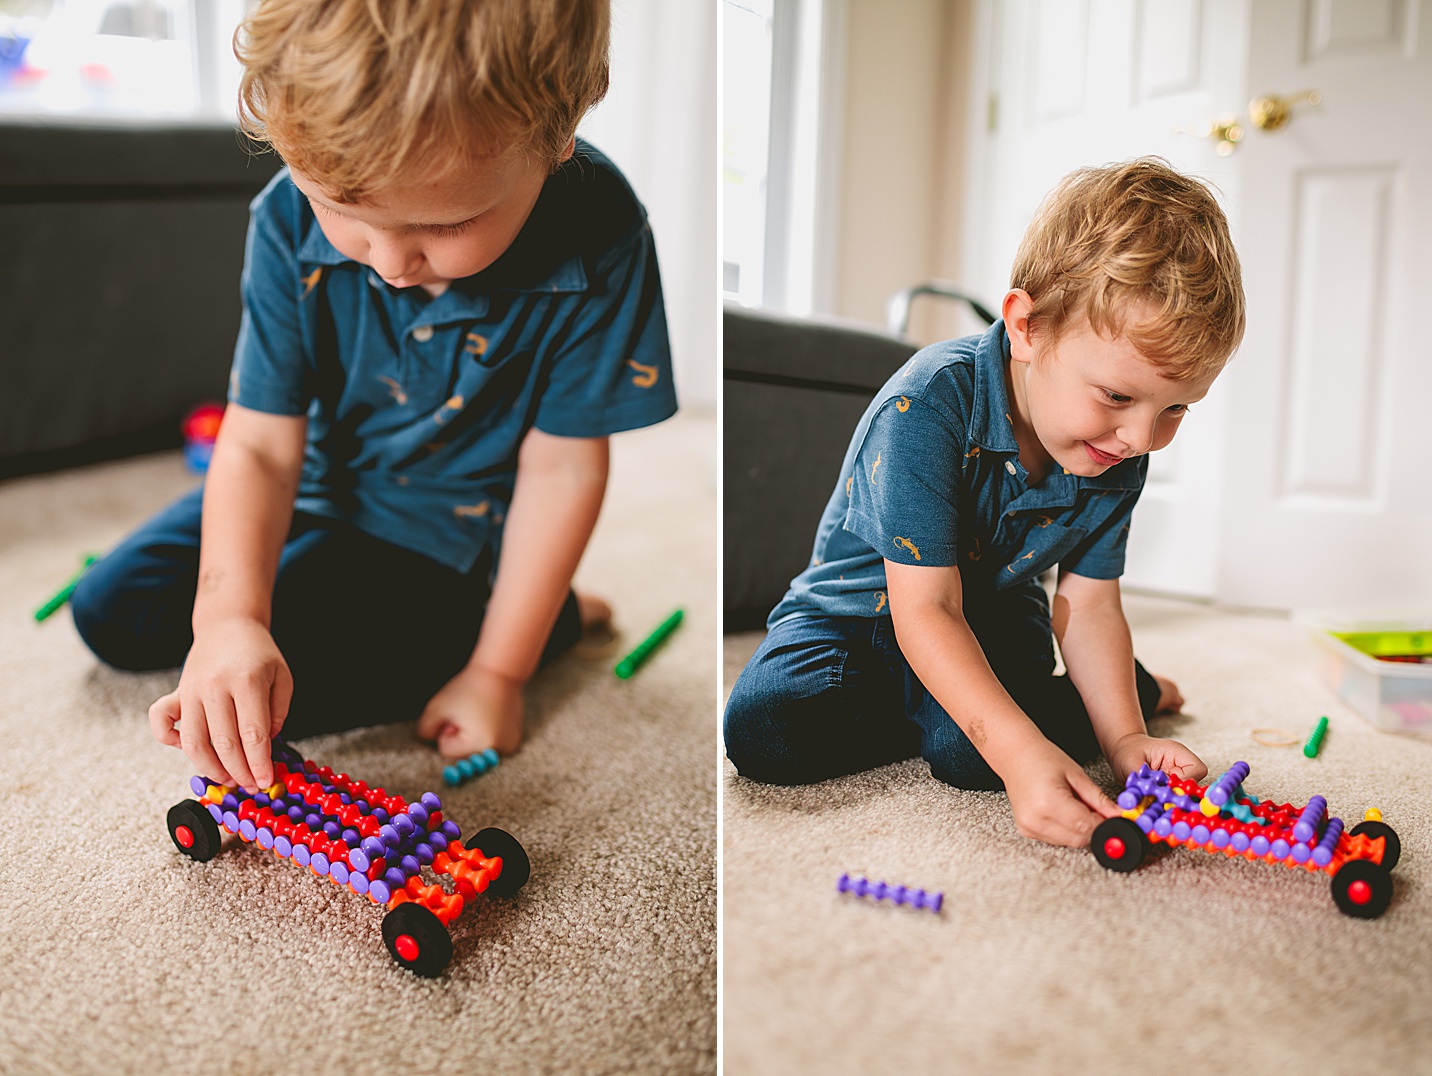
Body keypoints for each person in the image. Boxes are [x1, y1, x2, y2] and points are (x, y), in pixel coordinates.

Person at [69, 0, 675, 795]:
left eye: (447, 222)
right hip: (318, 485)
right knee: (111, 612)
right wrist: (228, 622)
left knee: (287, 694)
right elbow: (257, 445)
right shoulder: (285, 216)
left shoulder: (604, 234)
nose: (390, 263)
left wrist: (498, 673)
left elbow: (562, 469)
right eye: (343, 214)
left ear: (555, 139)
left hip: (447, 538)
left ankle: (549, 617)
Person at [723, 158, 1245, 848]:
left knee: (973, 757)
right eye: (1117, 396)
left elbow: (1088, 603)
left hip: (993, 618)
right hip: (858, 613)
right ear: (1026, 328)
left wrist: (1125, 739)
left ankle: (1063, 707)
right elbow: (926, 608)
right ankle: (986, 712)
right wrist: (1018, 744)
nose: (1143, 437)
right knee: (763, 729)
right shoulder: (927, 402)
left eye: (1177, 407)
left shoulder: (1120, 448)